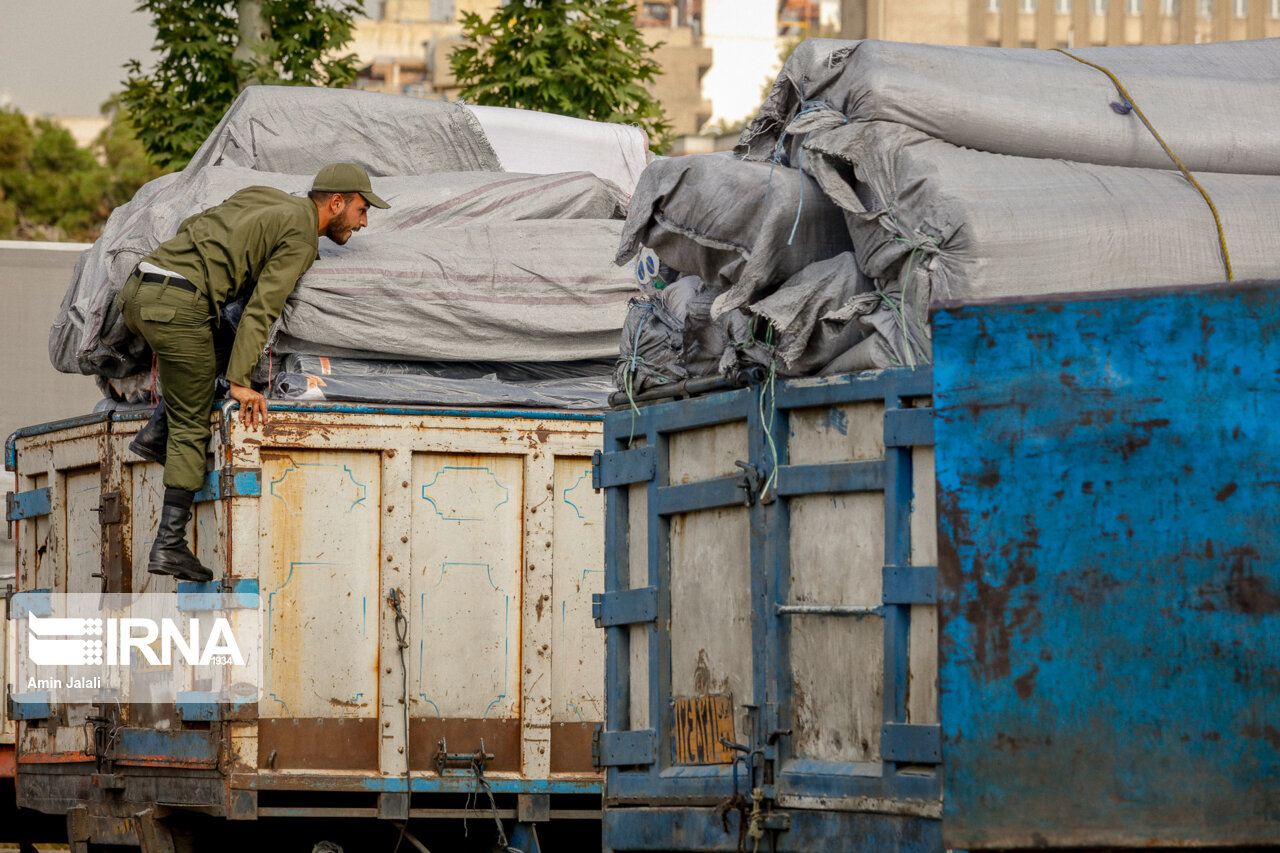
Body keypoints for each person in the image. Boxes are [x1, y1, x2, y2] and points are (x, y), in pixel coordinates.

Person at [118, 163, 390, 583]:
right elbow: (262, 312)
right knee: (193, 423)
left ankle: (155, 434)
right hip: (178, 305)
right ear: (336, 202)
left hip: (142, 288)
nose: (363, 221)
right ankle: (169, 545)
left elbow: (198, 223)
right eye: (361, 209)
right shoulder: (300, 238)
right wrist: (242, 383)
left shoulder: (264, 197)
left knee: (212, 350)